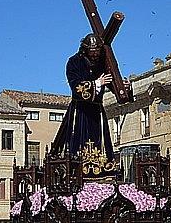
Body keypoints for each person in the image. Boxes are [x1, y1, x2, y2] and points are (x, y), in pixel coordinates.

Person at [50, 33, 120, 175]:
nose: (95, 56)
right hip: (80, 110)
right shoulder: (74, 62)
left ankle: (104, 172)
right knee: (79, 140)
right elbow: (75, 86)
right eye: (92, 52)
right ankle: (78, 172)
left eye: (97, 52)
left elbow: (112, 83)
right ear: (85, 49)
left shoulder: (103, 63)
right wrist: (97, 84)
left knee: (100, 139)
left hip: (97, 111)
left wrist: (122, 87)